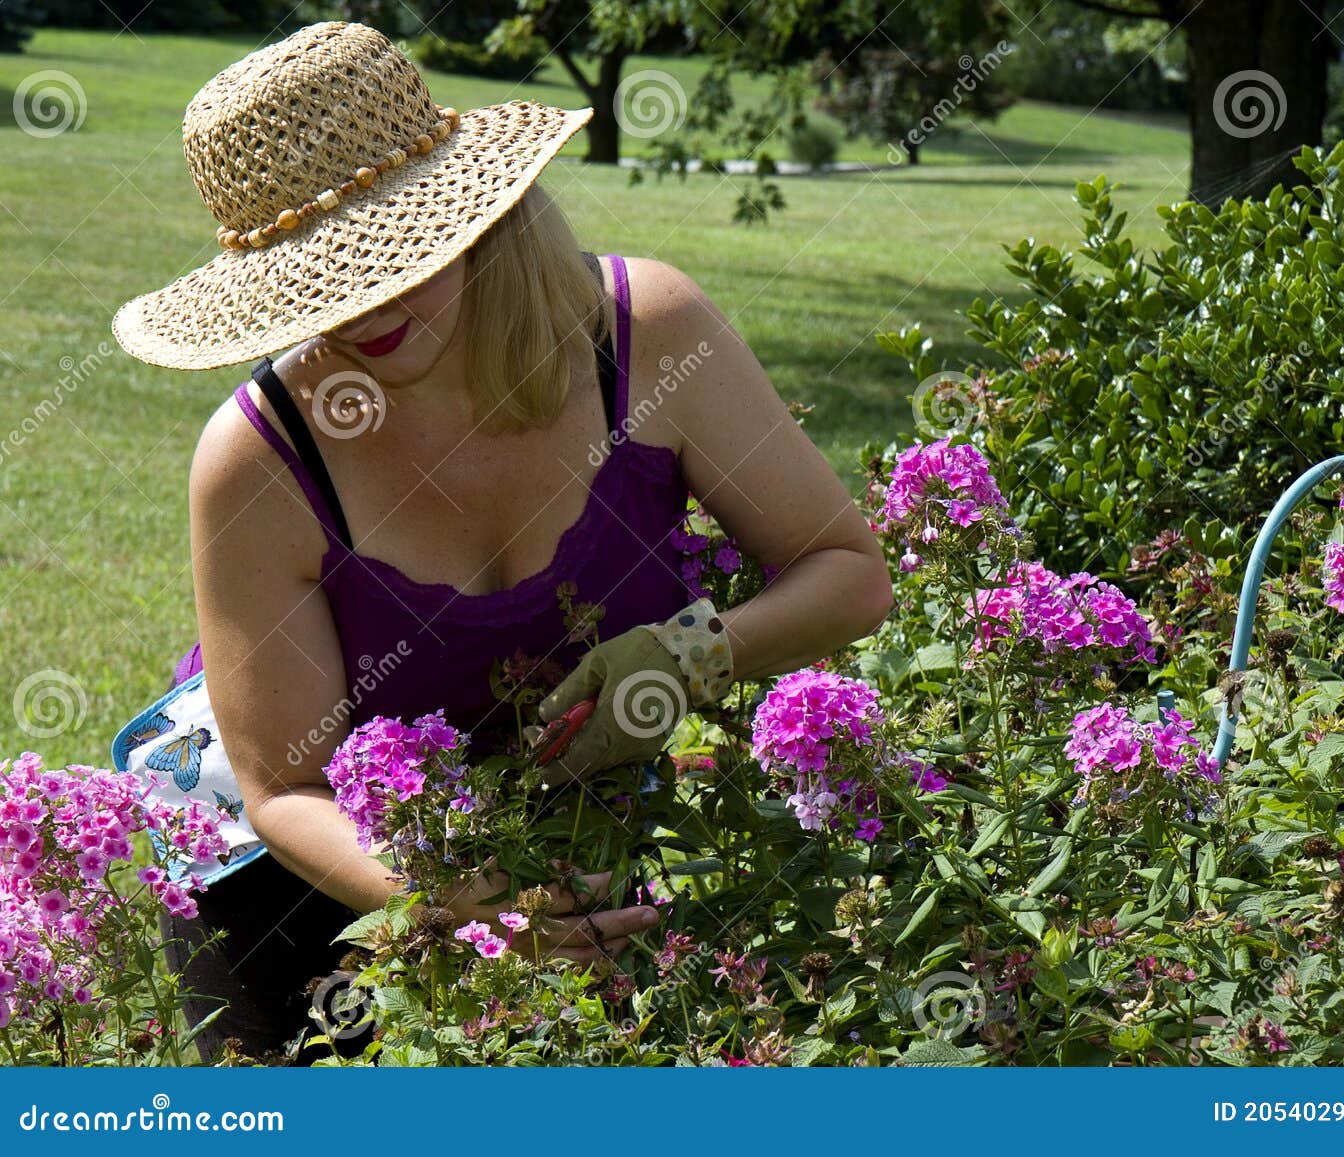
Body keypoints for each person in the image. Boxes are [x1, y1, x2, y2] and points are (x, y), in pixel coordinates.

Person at [111, 21, 891, 1061]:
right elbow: (286, 789)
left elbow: (848, 574)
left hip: (564, 828)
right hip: (301, 861)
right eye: (324, 282)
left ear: (473, 206)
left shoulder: (643, 333)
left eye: (397, 249)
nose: (370, 305)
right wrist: (476, 908)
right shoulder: (258, 460)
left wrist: (684, 656)